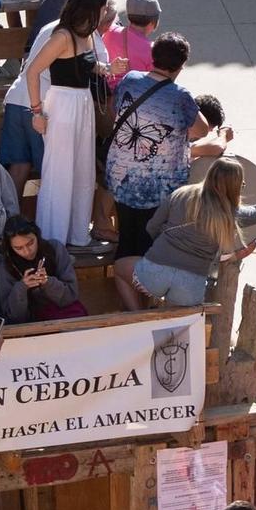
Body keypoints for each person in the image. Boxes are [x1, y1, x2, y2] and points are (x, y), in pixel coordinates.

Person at [105, 31, 213, 309]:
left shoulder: (130, 80)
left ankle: (134, 311)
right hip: (158, 191)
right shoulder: (180, 96)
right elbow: (201, 130)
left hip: (122, 180)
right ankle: (149, 309)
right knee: (153, 250)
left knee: (128, 241)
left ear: (153, 57)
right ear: (182, 65)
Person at [136, 151, 256, 305]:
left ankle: (134, 313)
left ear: (209, 174)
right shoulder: (232, 214)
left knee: (122, 268)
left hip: (154, 272)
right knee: (177, 321)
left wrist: (165, 246)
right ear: (236, 186)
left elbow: (152, 227)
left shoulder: (180, 194)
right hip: (190, 283)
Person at [25, 0, 109, 248]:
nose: (105, 11)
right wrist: (36, 111)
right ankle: (53, 239)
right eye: (103, 6)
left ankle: (76, 234)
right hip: (62, 104)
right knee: (60, 172)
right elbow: (32, 71)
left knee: (83, 171)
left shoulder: (86, 34)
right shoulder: (62, 36)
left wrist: (105, 68)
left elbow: (83, 64)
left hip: (82, 103)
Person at [0, 216, 85, 323]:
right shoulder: (7, 266)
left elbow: (71, 295)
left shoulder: (55, 249)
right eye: (18, 248)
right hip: (32, 322)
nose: (27, 251)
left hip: (64, 312)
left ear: (37, 236)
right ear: (10, 247)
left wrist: (48, 282)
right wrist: (22, 287)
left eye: (30, 243)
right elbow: (14, 316)